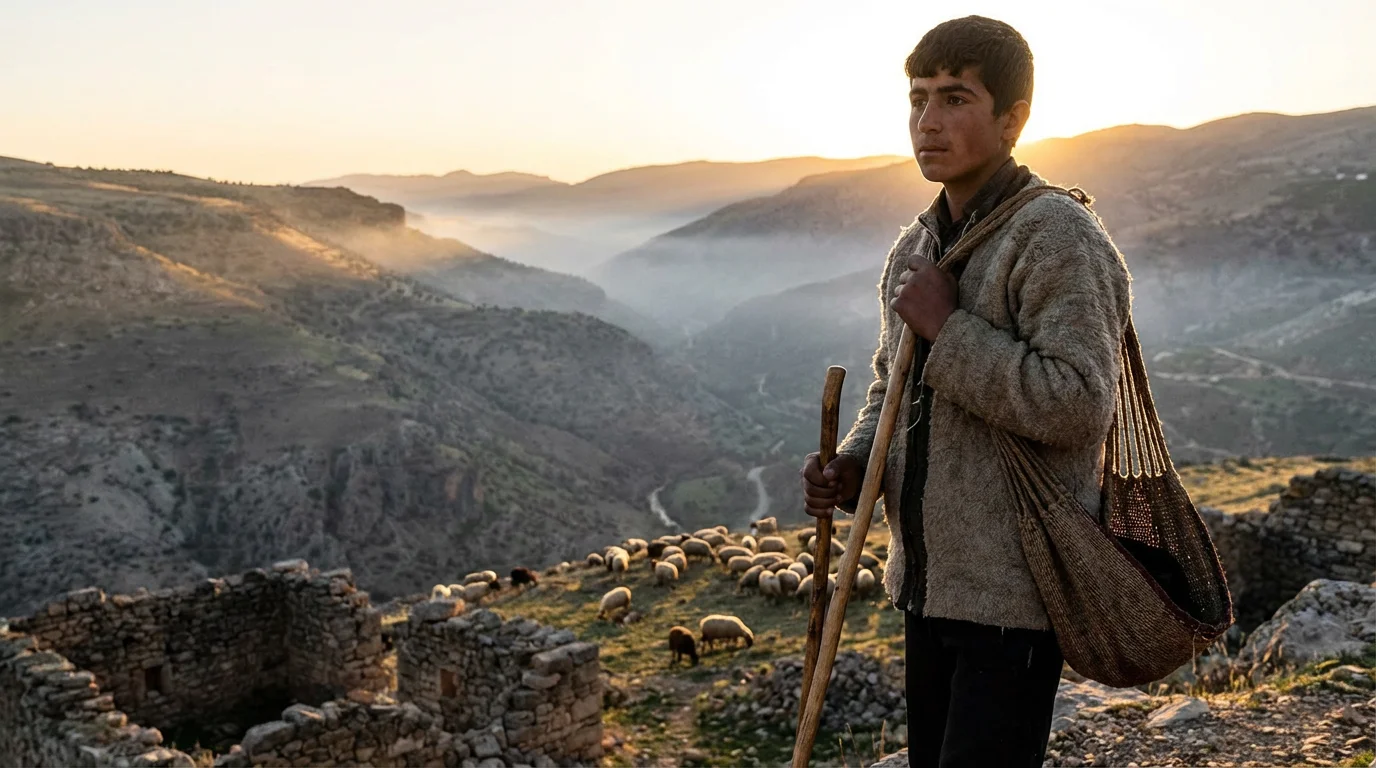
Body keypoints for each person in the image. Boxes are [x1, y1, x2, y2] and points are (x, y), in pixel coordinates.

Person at [799, 15, 1132, 768]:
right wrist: (854, 468)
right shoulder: (917, 244)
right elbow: (891, 385)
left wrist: (950, 333)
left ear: (1014, 119)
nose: (928, 122)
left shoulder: (1056, 237)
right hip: (927, 585)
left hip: (1013, 594)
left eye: (955, 99)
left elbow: (1079, 403)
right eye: (918, 99)